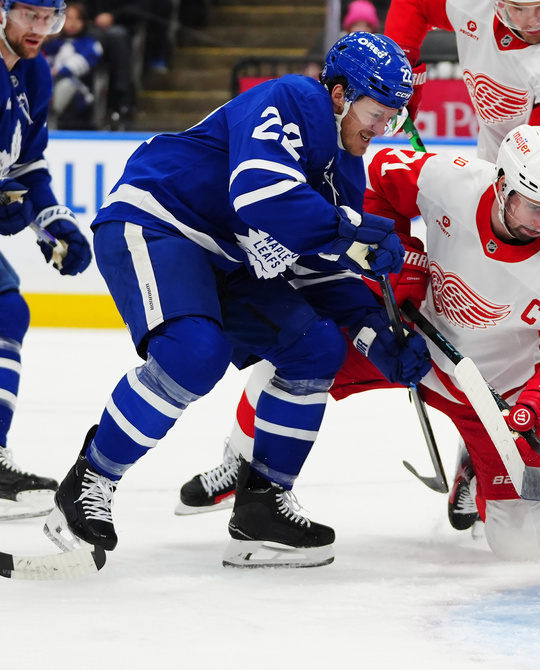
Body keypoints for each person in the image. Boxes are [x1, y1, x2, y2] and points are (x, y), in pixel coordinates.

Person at [43, 32, 432, 569]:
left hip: (228, 260)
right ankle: (89, 482)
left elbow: (312, 266)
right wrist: (353, 228)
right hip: (160, 222)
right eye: (377, 111)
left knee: (318, 349)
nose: (382, 127)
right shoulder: (297, 99)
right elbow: (261, 193)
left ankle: (262, 507)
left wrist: (372, 332)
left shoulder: (344, 169)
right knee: (192, 353)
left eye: (393, 115)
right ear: (340, 93)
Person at [182, 126, 540, 562]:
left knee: (518, 548)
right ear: (502, 185)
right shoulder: (452, 179)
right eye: (534, 207)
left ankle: (475, 466)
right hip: (408, 340)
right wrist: (401, 257)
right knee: (297, 355)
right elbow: (375, 182)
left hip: (494, 395)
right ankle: (242, 460)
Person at [385, 0, 540, 439]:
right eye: (517, 7)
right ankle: (491, 446)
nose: (530, 21)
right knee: (493, 318)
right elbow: (414, 5)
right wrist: (404, 74)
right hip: (502, 171)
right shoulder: (472, 4)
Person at [0, 0, 93, 521]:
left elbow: (27, 167)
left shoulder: (32, 73)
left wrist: (54, 222)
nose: (39, 30)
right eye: (29, 16)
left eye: (48, 18)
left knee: (7, 312)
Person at [42, 2, 103, 129]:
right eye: (68, 18)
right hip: (51, 84)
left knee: (67, 85)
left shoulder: (90, 43)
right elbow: (43, 59)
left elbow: (83, 61)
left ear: (85, 22)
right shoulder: (55, 43)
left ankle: (51, 118)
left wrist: (60, 71)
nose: (72, 23)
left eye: (77, 18)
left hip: (79, 96)